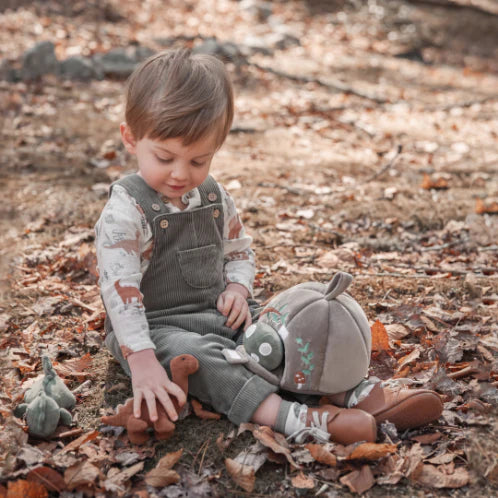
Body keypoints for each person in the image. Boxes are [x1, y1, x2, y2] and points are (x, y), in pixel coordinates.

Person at [95, 49, 440, 445]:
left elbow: (239, 251)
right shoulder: (125, 212)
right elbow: (120, 295)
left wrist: (238, 289)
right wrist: (141, 360)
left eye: (198, 161)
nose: (180, 173)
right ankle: (293, 417)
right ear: (131, 138)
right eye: (165, 157)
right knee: (201, 358)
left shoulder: (213, 197)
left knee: (282, 321)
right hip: (153, 328)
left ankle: (350, 390)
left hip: (218, 311)